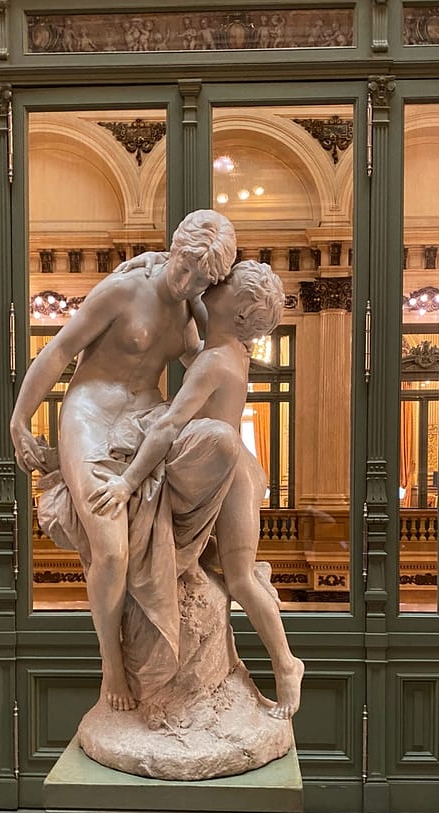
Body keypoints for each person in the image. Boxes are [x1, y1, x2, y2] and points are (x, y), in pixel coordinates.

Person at [10, 210, 238, 712]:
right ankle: (111, 663)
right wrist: (20, 419)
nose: (188, 283)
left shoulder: (190, 310)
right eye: (186, 268)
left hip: (146, 416)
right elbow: (59, 351)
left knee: (217, 447)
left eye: (202, 279)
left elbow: (203, 365)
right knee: (111, 552)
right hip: (90, 415)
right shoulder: (123, 291)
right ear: (174, 250)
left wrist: (215, 325)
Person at [90, 261, 304, 718]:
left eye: (225, 284)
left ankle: (287, 664)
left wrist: (128, 481)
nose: (216, 282)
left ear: (239, 313)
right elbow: (199, 326)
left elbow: (169, 426)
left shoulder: (214, 361)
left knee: (241, 578)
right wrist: (165, 271)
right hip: (234, 468)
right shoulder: (229, 349)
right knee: (232, 575)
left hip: (233, 478)